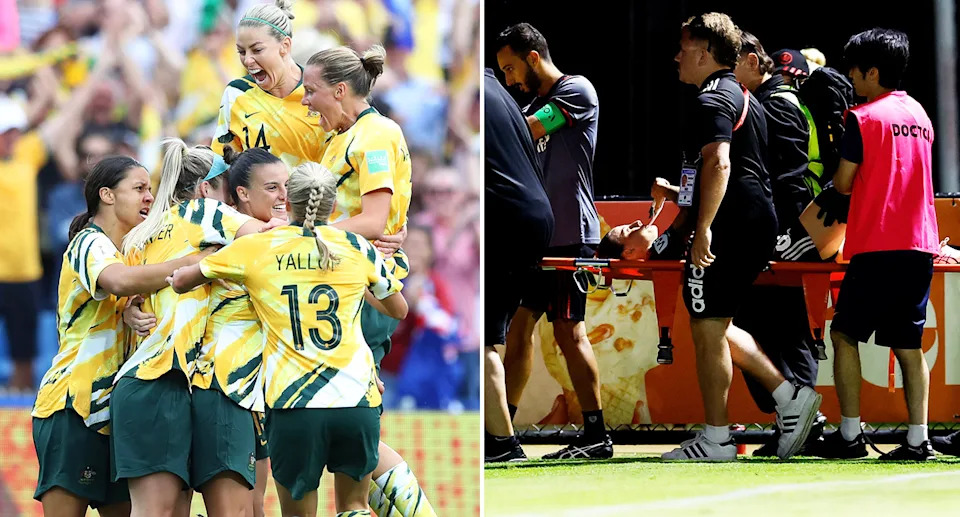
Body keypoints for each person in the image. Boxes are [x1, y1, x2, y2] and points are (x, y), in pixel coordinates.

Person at [170, 162, 408, 517]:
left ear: (288, 200)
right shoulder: (357, 246)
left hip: (293, 402)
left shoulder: (257, 248)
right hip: (356, 396)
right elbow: (398, 309)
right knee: (355, 507)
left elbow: (182, 281)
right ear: (332, 203)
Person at [661, 13, 820, 461]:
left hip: (733, 225)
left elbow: (721, 164)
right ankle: (790, 397)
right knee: (717, 323)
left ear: (705, 52)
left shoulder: (713, 97)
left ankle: (717, 439)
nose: (676, 56)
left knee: (707, 326)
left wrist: (703, 228)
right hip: (752, 222)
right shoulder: (737, 93)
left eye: (683, 46)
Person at [31, 156, 213, 517]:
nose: (149, 197)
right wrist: (198, 263)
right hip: (73, 405)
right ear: (107, 195)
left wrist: (130, 310)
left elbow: (129, 289)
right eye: (139, 188)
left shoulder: (131, 252)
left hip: (117, 413)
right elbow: (118, 281)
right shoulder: (88, 241)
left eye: (151, 189)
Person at [301, 46, 436, 517]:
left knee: (355, 425)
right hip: (346, 290)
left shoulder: (375, 135)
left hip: (367, 294)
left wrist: (302, 237)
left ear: (340, 90)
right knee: (347, 426)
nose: (305, 100)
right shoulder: (340, 138)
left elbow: (376, 218)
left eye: (311, 90)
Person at [110, 139, 270, 517]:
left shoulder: (144, 233)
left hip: (163, 379)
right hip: (160, 378)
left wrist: (130, 310)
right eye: (227, 190)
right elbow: (268, 238)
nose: (231, 202)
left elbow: (132, 295)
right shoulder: (204, 211)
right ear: (204, 189)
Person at [815, 28, 939, 461]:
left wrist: (833, 174)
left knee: (844, 333)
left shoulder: (863, 117)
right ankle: (917, 439)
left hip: (877, 242)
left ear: (871, 71)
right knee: (909, 345)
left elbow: (845, 183)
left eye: (853, 69)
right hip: (919, 242)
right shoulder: (920, 114)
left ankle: (849, 436)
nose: (850, 77)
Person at [495, 22, 610, 460]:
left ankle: (596, 434)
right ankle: (501, 431)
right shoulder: (540, 101)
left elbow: (523, 134)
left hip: (572, 236)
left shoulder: (576, 90)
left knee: (569, 330)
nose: (509, 80)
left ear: (533, 57)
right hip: (540, 238)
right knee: (520, 328)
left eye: (510, 70)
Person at [733, 31, 826, 455]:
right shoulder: (775, 100)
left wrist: (788, 233)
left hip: (787, 237)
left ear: (753, 62)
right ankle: (799, 423)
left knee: (781, 328)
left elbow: (791, 175)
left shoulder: (776, 103)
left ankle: (806, 422)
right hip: (788, 235)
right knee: (775, 327)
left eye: (731, 64)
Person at [483, 67, 554, 462]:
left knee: (483, 339)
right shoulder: (500, 94)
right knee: (497, 334)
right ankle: (499, 433)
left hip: (508, 218)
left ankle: (503, 443)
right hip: (531, 217)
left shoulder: (478, 93)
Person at [211, 0, 331, 169]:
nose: (247, 60)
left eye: (257, 50)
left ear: (285, 46)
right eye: (241, 52)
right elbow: (221, 167)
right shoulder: (237, 93)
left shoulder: (322, 91)